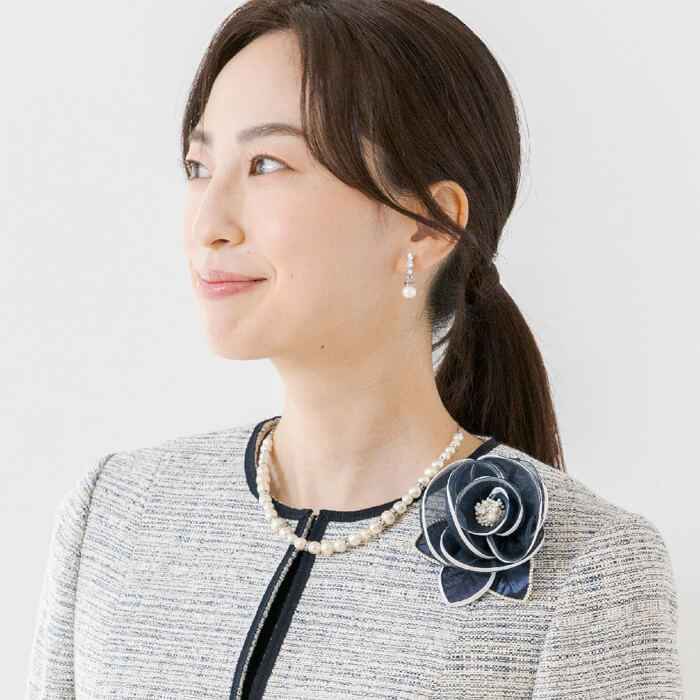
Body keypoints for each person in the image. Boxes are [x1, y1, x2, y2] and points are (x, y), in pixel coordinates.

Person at [26, 1, 682, 698]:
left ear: (427, 224)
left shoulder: (589, 572)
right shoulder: (115, 515)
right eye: (198, 165)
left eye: (267, 164)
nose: (207, 223)